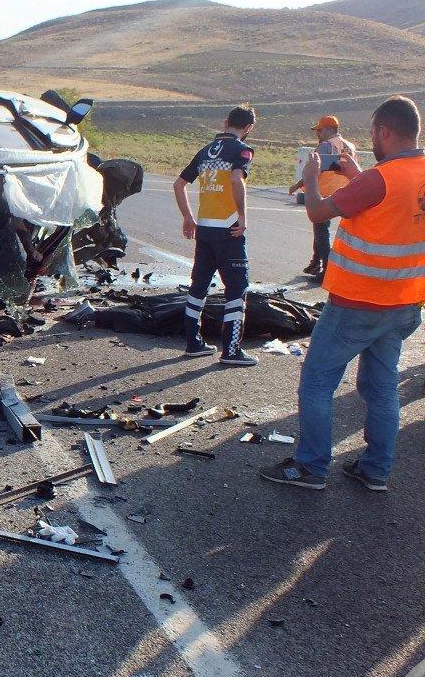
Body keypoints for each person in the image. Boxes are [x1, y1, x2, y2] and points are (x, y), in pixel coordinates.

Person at [260, 96, 425, 492]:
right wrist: (357, 174)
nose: (371, 139)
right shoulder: (401, 174)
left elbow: (318, 212)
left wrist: (313, 177)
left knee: (318, 381)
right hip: (404, 302)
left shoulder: (377, 180)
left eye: (373, 133)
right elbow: (392, 207)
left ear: (384, 131)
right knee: (382, 387)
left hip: (357, 303)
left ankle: (311, 467)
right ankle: (376, 471)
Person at [173, 105, 259, 365]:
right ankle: (231, 350)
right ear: (249, 128)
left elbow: (179, 184)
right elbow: (236, 179)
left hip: (205, 228)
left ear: (225, 123)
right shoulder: (241, 150)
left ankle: (193, 343)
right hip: (229, 229)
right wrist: (243, 216)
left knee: (198, 286)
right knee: (236, 288)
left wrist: (188, 217)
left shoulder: (205, 151)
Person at [288, 115, 357, 278]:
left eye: (319, 130)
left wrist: (297, 186)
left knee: (321, 231)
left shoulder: (325, 146)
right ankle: (315, 262)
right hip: (346, 191)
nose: (317, 133)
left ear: (329, 129)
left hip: (325, 193)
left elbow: (313, 171)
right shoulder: (350, 146)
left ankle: (327, 268)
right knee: (322, 230)